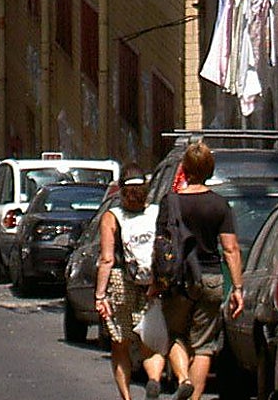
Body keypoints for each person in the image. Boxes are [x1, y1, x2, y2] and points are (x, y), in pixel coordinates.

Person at [152, 142, 244, 400]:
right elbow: (230, 249)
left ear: (185, 168)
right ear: (210, 170)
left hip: (179, 279)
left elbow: (160, 245)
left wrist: (155, 281)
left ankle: (182, 378)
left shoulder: (170, 202)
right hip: (211, 278)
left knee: (175, 335)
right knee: (204, 346)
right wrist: (237, 287)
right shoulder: (219, 205)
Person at [95, 164, 166, 400]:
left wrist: (100, 295)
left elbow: (106, 259)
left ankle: (126, 397)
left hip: (121, 283)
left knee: (121, 344)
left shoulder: (112, 216)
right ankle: (154, 380)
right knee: (150, 341)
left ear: (120, 190)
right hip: (151, 284)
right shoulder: (156, 212)